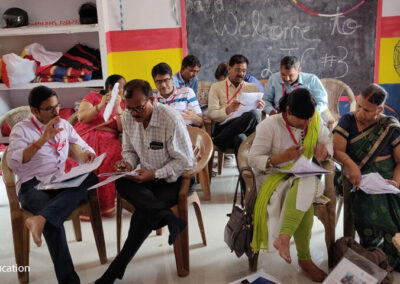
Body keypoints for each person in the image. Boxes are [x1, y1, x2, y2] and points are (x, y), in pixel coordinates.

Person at [95, 79, 195, 284]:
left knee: (142, 215)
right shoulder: (130, 117)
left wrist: (155, 174)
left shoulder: (170, 119)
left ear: (152, 99)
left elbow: (186, 162)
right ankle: (168, 218)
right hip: (147, 177)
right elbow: (129, 151)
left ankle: (113, 272)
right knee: (121, 183)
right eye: (129, 109)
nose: (134, 114)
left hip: (174, 178)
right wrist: (128, 165)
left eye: (139, 108)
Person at [6, 86, 99, 284]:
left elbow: (81, 144)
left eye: (57, 106)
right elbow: (13, 163)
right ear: (34, 110)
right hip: (33, 185)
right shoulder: (21, 129)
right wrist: (42, 139)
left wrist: (87, 153)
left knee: (91, 178)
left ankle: (40, 219)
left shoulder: (64, 124)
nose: (56, 112)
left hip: (59, 182)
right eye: (49, 109)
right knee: (53, 223)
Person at [249, 89, 332, 282]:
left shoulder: (314, 121)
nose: (305, 124)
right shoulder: (270, 125)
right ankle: (305, 259)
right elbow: (253, 159)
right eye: (301, 119)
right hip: (274, 177)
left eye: (308, 119)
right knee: (307, 194)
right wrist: (282, 157)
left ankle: (284, 237)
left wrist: (324, 152)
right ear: (287, 111)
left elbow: (328, 143)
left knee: (308, 181)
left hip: (304, 174)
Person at [333, 83, 400, 270]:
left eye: (367, 110)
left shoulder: (389, 126)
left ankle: (389, 252)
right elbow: (337, 150)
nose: (360, 113)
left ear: (380, 109)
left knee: (395, 198)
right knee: (373, 201)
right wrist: (352, 166)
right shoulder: (347, 121)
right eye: (359, 106)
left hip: (387, 175)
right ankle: (373, 250)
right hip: (355, 175)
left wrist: (396, 182)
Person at [66, 74, 126, 218]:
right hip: (85, 134)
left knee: (110, 158)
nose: (124, 91)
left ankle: (105, 205)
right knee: (78, 159)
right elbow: (81, 117)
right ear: (111, 88)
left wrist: (117, 107)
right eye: (122, 87)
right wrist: (100, 106)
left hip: (108, 138)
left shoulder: (123, 103)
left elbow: (122, 128)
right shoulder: (93, 96)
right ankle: (80, 205)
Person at [208, 54, 264, 155]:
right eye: (238, 70)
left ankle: (217, 141)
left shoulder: (252, 87)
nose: (241, 74)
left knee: (254, 115)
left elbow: (255, 117)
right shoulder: (216, 87)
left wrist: (260, 108)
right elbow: (212, 114)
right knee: (241, 137)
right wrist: (228, 110)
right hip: (224, 127)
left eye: (244, 71)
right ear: (229, 69)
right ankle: (248, 169)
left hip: (245, 129)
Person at [262, 56, 328, 119]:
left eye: (291, 75)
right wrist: (271, 111)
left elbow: (322, 101)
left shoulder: (311, 80)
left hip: (304, 118)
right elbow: (265, 100)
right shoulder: (274, 79)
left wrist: (312, 113)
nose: (287, 78)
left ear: (299, 70)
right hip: (280, 117)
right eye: (283, 75)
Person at [152, 62, 203, 127]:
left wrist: (193, 117)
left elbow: (201, 122)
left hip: (186, 131)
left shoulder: (187, 93)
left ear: (172, 79)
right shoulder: (152, 100)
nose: (163, 85)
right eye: (159, 81)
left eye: (166, 80)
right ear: (154, 82)